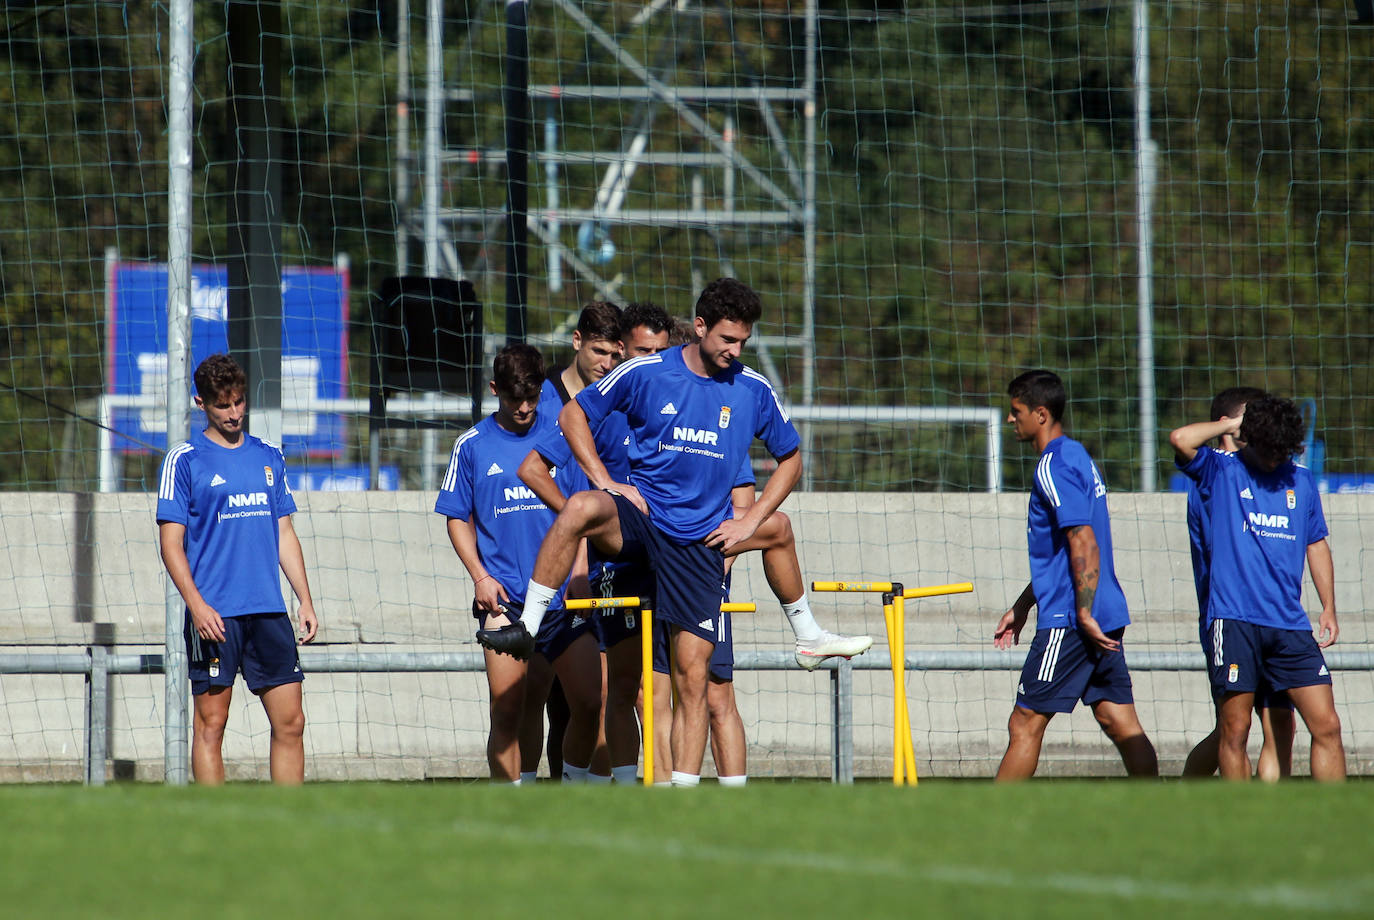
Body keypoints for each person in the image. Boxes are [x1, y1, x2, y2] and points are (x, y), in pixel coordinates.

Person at [488, 278, 869, 787]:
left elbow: (791, 458)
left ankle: (804, 640)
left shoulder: (753, 389)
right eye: (727, 340)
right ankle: (531, 625)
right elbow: (575, 415)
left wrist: (748, 520)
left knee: (695, 682)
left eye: (743, 343)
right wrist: (607, 483)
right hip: (642, 526)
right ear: (701, 327)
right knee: (581, 508)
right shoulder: (646, 372)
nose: (735, 351)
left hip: (697, 545)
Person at [435, 344, 602, 783]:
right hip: (505, 602)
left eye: (532, 397)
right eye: (514, 399)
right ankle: (515, 801)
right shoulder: (471, 445)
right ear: (495, 390)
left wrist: (581, 573)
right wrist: (481, 577)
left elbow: (583, 510)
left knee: (589, 702)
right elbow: (456, 518)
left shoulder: (563, 436)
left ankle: (573, 786)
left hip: (563, 602)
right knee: (510, 707)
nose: (525, 408)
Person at [156, 353, 319, 785]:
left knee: (292, 723)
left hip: (268, 611)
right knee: (211, 726)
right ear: (201, 403)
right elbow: (170, 543)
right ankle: (219, 834)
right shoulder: (184, 460)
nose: (234, 413)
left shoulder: (268, 456)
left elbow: (284, 532)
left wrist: (304, 598)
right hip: (216, 616)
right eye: (223, 405)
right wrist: (196, 606)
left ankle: (291, 828)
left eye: (239, 402)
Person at [992, 369, 1157, 781]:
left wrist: (1081, 613)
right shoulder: (1079, 456)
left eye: (1016, 411)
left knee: (1025, 722)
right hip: (1104, 611)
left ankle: (987, 828)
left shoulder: (1052, 466)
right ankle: (1159, 808)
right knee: (1119, 721)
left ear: (1041, 414)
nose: (1011, 420)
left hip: (1072, 619)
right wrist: (1023, 604)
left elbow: (1083, 541)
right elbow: (1066, 552)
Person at [1170, 395, 1345, 782]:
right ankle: (1242, 822)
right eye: (1267, 451)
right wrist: (1230, 426)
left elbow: (1316, 543)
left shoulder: (1299, 478)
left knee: (1325, 726)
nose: (1273, 462)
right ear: (1250, 439)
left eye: (1280, 453)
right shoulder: (1221, 470)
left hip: (1289, 625)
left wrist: (1328, 605)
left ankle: (1333, 823)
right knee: (1234, 730)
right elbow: (1181, 438)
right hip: (1235, 622)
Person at [1179, 387, 1295, 781]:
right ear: (1232, 427)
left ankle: (1267, 818)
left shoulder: (1261, 474)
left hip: (1273, 619)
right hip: (1231, 620)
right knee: (1234, 728)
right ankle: (1195, 802)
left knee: (1276, 724)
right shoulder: (1218, 478)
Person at [534, 301, 625, 783]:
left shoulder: (614, 399)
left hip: (599, 573)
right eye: (598, 351)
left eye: (615, 355)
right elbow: (521, 468)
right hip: (543, 570)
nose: (606, 364)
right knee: (538, 704)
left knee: (593, 699)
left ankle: (586, 795)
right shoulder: (541, 398)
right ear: (576, 341)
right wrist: (569, 519)